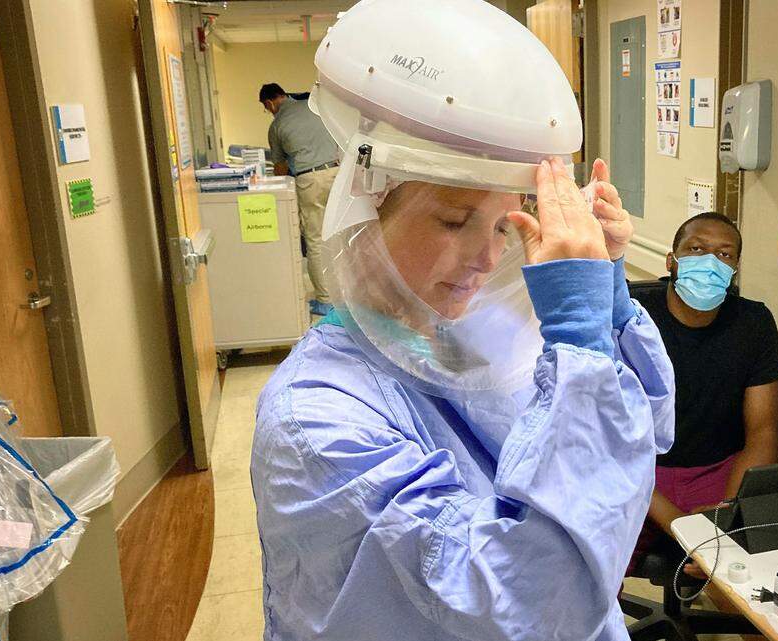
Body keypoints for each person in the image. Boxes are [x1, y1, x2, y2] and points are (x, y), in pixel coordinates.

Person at [251, 2, 675, 639]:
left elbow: (645, 429)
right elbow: (530, 604)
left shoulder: (474, 336)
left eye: (504, 225)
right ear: (366, 206)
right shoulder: (315, 422)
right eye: (454, 220)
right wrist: (579, 350)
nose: (487, 256)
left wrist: (603, 306)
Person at [630, 211, 778, 578]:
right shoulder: (631, 321)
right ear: (672, 261)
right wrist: (682, 527)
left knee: (753, 582)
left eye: (725, 254)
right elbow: (597, 439)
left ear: (735, 269)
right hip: (635, 475)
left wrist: (725, 517)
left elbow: (763, 433)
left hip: (719, 475)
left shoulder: (754, 323)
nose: (710, 261)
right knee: (586, 575)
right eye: (696, 248)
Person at [260, 82, 340, 317]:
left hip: (310, 181)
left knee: (315, 241)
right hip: (337, 174)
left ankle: (325, 301)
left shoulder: (277, 125)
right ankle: (346, 296)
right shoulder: (314, 107)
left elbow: (280, 168)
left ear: (269, 103)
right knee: (339, 236)